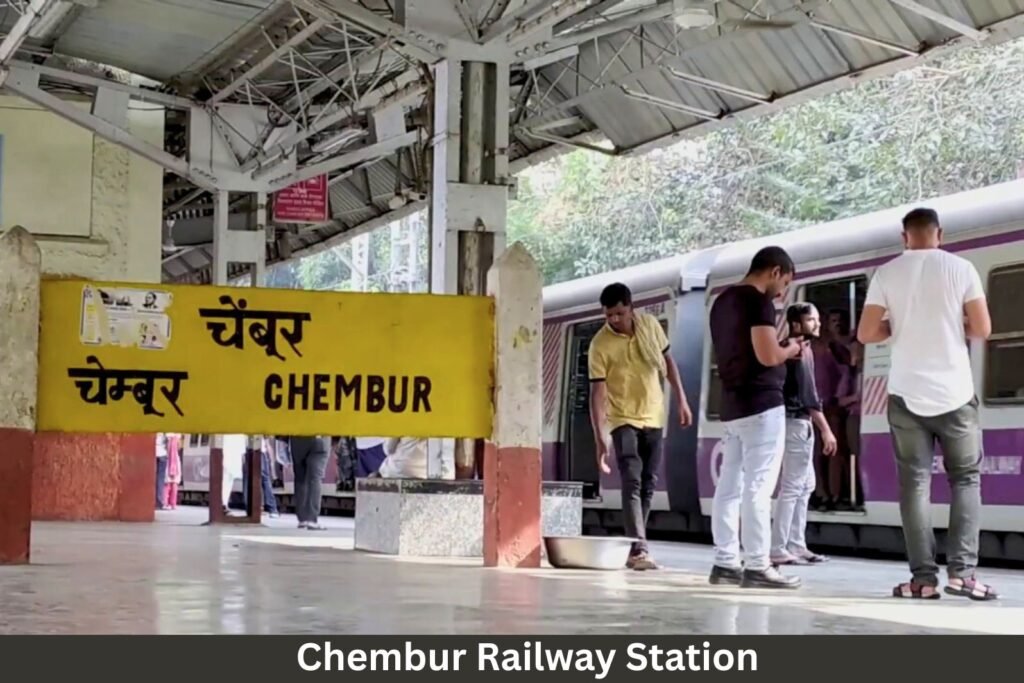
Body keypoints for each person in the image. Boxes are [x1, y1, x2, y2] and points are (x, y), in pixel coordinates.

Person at [857, 207, 996, 600]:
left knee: (914, 485)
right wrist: (954, 324)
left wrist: (897, 328)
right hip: (955, 393)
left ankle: (922, 580)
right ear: (940, 234)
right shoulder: (961, 269)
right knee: (965, 479)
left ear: (905, 237)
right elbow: (983, 329)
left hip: (906, 395)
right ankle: (964, 575)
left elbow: (867, 332)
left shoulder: (887, 273)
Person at [708, 246, 804, 589]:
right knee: (758, 488)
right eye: (786, 283)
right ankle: (759, 565)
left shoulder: (721, 301)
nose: (784, 293)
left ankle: (725, 562)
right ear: (775, 271)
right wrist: (792, 348)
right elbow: (767, 355)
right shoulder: (757, 300)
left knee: (729, 486)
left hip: (732, 406)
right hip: (762, 405)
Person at [588, 283, 693, 571]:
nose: (614, 320)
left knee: (649, 483)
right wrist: (600, 437)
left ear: (631, 308)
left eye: (620, 313)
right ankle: (639, 547)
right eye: (609, 315)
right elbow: (597, 393)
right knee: (632, 481)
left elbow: (668, 363)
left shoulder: (649, 326)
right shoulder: (599, 344)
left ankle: (636, 542)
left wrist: (682, 400)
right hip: (622, 420)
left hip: (654, 417)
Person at [770, 303, 837, 566]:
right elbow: (810, 398)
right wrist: (826, 430)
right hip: (796, 423)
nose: (818, 324)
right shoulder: (797, 351)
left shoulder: (797, 349)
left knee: (805, 485)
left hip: (795, 423)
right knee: (793, 487)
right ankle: (778, 547)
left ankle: (796, 544)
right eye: (812, 320)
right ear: (797, 324)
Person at [837, 341, 864, 509]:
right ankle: (857, 494)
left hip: (874, 417)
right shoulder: (850, 372)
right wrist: (856, 397)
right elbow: (840, 400)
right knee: (856, 456)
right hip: (855, 416)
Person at [290, 435, 330, 530]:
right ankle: (312, 519)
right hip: (321, 438)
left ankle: (302, 519)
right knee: (315, 479)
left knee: (300, 477)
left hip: (299, 439)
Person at [243, 436, 280, 518]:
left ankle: (250, 509)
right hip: (260, 451)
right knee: (265, 480)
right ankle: (272, 508)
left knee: (247, 480)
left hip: (247, 450)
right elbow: (267, 442)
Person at [162, 433, 182, 510]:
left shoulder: (168, 437)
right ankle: (173, 504)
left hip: (167, 460)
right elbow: (179, 447)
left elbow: (167, 448)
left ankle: (165, 503)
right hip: (175, 463)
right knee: (174, 484)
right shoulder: (177, 436)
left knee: (167, 484)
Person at [155, 434, 169, 510]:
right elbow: (168, 443)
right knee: (160, 479)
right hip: (163, 454)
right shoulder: (165, 431)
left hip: (154, 454)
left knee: (152, 478)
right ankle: (159, 502)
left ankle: (153, 501)